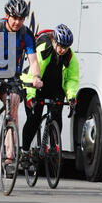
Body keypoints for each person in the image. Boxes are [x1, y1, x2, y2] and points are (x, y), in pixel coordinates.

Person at [0, 0, 43, 176]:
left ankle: (9, 159)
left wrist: (36, 76)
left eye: (21, 18)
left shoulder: (25, 34)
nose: (18, 22)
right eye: (15, 18)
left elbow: (33, 61)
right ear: (7, 16)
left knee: (13, 110)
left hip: (12, 76)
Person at [20, 24, 79, 167]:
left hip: (55, 87)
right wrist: (30, 97)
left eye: (66, 47)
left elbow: (72, 79)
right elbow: (33, 75)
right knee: (34, 119)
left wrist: (71, 97)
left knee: (57, 114)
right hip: (35, 85)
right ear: (54, 41)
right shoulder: (44, 49)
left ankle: (54, 148)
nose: (62, 50)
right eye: (60, 46)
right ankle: (25, 152)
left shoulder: (70, 56)